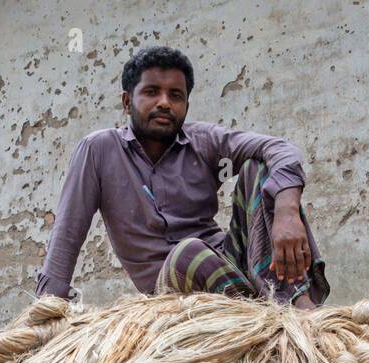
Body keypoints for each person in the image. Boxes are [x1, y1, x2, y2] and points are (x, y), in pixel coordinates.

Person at [35, 46, 329, 310]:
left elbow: (280, 148)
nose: (164, 103)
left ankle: (293, 301)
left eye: (175, 95)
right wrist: (47, 309)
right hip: (171, 291)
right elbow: (68, 231)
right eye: (151, 92)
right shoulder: (98, 150)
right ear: (127, 102)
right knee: (188, 251)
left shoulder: (203, 140)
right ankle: (257, 315)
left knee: (260, 168)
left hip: (229, 265)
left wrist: (287, 212)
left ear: (186, 105)